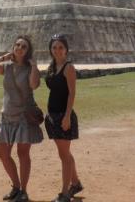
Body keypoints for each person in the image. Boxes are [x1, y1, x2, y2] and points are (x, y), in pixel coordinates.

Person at [0, 35, 43, 202]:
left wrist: (34, 67)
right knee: (2, 153)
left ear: (28, 51)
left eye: (23, 47)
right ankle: (16, 187)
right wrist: (4, 57)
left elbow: (33, 85)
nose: (19, 48)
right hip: (7, 115)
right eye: (17, 45)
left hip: (24, 116)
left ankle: (23, 191)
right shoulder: (7, 67)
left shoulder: (31, 69)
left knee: (22, 153)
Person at [44, 34, 83, 202]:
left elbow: (72, 93)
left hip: (63, 116)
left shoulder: (68, 68)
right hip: (53, 116)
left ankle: (65, 193)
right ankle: (75, 183)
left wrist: (67, 116)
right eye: (54, 47)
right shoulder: (52, 67)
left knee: (64, 155)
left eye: (60, 47)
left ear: (66, 49)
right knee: (64, 154)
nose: (57, 50)